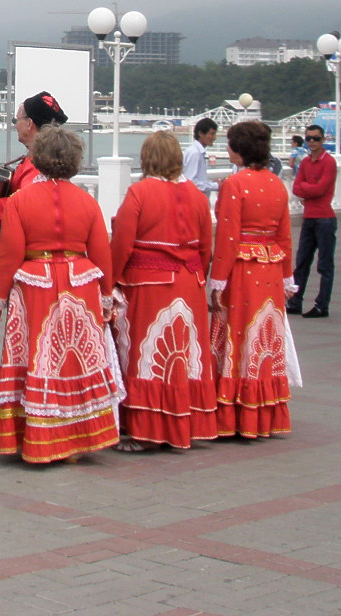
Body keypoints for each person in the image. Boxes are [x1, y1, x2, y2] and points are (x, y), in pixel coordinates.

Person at [0, 125, 120, 463]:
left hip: (35, 286)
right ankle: (77, 439)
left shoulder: (20, 201)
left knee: (38, 359)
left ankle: (40, 438)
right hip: (81, 285)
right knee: (73, 361)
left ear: (39, 157)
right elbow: (101, 252)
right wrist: (106, 295)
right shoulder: (87, 201)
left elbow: (9, 254)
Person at [110, 130, 216, 451]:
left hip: (149, 286)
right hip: (190, 283)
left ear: (147, 158)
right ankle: (183, 423)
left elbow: (122, 244)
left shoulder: (139, 193)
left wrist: (110, 281)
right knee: (183, 358)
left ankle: (145, 431)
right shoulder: (197, 196)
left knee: (145, 356)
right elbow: (206, 249)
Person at [210, 120, 296, 438]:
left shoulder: (234, 184)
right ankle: (264, 413)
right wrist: (287, 277)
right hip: (271, 269)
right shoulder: (277, 184)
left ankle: (235, 414)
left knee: (239, 335)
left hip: (243, 270)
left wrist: (217, 280)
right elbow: (285, 236)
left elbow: (228, 237)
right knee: (265, 337)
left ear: (239, 149)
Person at [0, 91, 67, 225]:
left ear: (29, 123)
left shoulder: (41, 164)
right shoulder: (50, 156)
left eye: (16, 120)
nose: (15, 125)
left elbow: (26, 206)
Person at [287, 124, 337, 319]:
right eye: (308, 138)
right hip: (309, 218)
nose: (312, 142)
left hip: (325, 219)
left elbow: (321, 189)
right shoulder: (306, 162)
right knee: (301, 262)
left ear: (323, 139)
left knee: (324, 265)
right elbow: (296, 188)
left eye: (316, 138)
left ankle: (322, 305)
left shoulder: (329, 162)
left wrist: (307, 188)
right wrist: (310, 188)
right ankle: (295, 302)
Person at [182, 118, 220, 207]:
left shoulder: (194, 151)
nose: (214, 138)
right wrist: (216, 185)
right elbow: (191, 182)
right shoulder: (195, 153)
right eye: (212, 134)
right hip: (195, 204)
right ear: (200, 133)